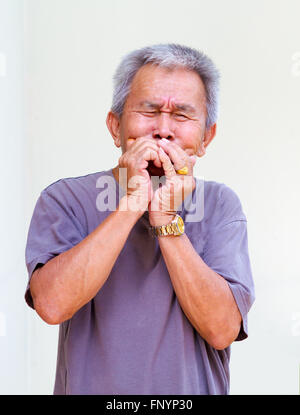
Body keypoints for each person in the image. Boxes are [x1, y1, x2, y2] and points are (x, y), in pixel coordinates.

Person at [24, 43, 255, 395]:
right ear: (115, 125)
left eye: (181, 115)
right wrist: (133, 201)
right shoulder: (65, 199)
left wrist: (165, 217)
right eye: (148, 111)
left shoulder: (221, 205)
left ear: (206, 137)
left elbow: (222, 329)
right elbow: (52, 305)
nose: (163, 129)